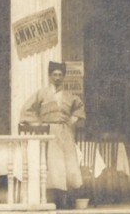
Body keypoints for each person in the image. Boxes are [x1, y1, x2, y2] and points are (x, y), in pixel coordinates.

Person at [20, 62, 85, 203]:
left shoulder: (69, 96)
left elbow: (79, 108)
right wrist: (38, 125)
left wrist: (71, 121)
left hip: (65, 132)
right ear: (50, 76)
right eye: (54, 75)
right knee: (54, 165)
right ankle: (55, 198)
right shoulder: (42, 93)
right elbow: (26, 110)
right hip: (49, 132)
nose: (57, 78)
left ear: (64, 77)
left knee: (70, 164)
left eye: (60, 75)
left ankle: (67, 198)